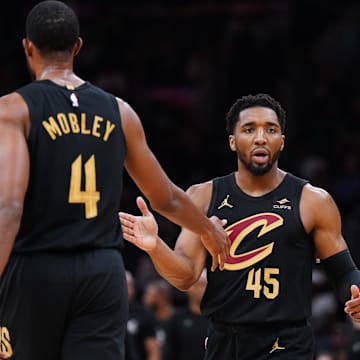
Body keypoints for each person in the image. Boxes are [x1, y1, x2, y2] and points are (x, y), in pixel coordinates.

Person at [0, 1, 229, 360]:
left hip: (37, 267)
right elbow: (165, 197)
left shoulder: (13, 109)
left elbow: (9, 208)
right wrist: (208, 230)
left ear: (27, 47)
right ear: (77, 46)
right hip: (102, 271)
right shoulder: (119, 110)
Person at [119, 93, 360, 359]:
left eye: (271, 129)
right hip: (226, 340)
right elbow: (185, 275)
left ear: (282, 141)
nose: (260, 137)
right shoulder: (203, 196)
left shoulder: (313, 200)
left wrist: (357, 291)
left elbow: (343, 271)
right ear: (233, 142)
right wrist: (155, 247)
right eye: (249, 129)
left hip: (287, 342)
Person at [125, 271, 160, 360]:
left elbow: (153, 352)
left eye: (128, 285)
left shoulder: (144, 313)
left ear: (132, 288)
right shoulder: (103, 312)